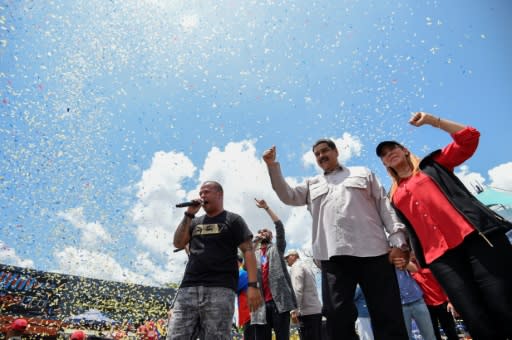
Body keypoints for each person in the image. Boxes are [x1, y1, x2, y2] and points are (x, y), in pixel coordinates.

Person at [376, 111, 512, 340]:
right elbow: (407, 229)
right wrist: (402, 251)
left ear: (405, 150)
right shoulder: (393, 196)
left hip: (476, 240)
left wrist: (432, 121)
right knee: (473, 316)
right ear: (383, 163)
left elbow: (469, 137)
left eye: (393, 149)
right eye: (384, 155)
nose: (389, 154)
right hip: (441, 260)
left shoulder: (434, 165)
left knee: (503, 302)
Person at [263, 142, 409, 340]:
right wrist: (272, 165)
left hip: (374, 252)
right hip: (333, 257)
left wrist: (398, 242)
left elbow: (385, 206)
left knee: (387, 314)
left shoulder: (362, 173)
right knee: (336, 317)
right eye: (317, 154)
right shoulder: (311, 183)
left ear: (336, 152)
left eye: (325, 151)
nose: (321, 155)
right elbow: (287, 196)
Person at [167, 181, 263, 339]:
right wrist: (189, 214)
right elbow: (178, 243)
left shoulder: (233, 220)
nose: (202, 196)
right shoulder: (195, 222)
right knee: (176, 335)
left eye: (207, 192)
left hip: (220, 288)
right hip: (189, 287)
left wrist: (252, 286)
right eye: (201, 193)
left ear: (219, 194)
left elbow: (248, 250)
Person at [253, 198, 297, 340]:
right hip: (260, 305)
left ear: (271, 235)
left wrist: (266, 208)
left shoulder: (277, 249)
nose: (262, 232)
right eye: (260, 231)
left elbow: (279, 226)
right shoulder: (255, 254)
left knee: (282, 337)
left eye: (265, 231)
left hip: (279, 303)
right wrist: (255, 241)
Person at [406, 255, 459, 340]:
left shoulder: (429, 265)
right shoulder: (410, 270)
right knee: (433, 333)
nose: (411, 255)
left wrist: (449, 301)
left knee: (450, 331)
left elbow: (444, 284)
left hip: (442, 304)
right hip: (427, 306)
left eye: (412, 252)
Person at [284, 249, 322, 340]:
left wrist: (294, 310)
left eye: (287, 257)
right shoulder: (306, 266)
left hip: (306, 313)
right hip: (316, 311)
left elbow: (297, 289)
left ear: (294, 256)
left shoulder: (296, 266)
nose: (286, 260)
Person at [394, 267, 436, 340]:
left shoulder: (400, 257)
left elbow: (415, 269)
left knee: (430, 336)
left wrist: (403, 260)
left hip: (417, 300)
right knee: (405, 337)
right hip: (398, 305)